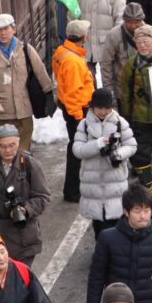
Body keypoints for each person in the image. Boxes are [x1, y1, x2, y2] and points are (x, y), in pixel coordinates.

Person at [72, 89, 136, 238]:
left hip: (115, 183)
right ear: (92, 107)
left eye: (107, 108)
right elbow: (77, 150)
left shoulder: (120, 123)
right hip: (92, 185)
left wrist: (119, 154)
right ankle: (102, 256)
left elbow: (132, 146)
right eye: (99, 108)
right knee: (99, 229)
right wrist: (97, 145)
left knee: (117, 227)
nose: (103, 112)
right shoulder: (84, 125)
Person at [0, 14, 53, 152]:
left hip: (23, 113)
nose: (3, 33)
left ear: (14, 29)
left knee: (23, 154)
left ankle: (21, 174)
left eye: (6, 28)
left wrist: (50, 95)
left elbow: (41, 74)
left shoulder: (26, 50)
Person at [0, 124, 50, 266]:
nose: (8, 150)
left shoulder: (30, 164)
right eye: (2, 146)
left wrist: (25, 209)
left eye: (12, 145)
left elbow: (43, 197)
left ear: (18, 143)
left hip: (24, 235)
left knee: (21, 281)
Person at [120, 25, 152, 186]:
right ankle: (147, 187)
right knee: (141, 154)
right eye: (138, 41)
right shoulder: (131, 64)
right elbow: (126, 92)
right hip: (141, 118)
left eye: (145, 41)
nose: (142, 45)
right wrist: (127, 116)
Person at [52, 20, 95, 204]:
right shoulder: (73, 61)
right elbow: (72, 93)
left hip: (69, 108)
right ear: (83, 37)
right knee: (77, 150)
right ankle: (72, 191)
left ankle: (75, 188)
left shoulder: (62, 52)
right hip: (78, 111)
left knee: (76, 148)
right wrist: (80, 120)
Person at [76, 0, 126, 74]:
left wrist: (116, 45)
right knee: (87, 83)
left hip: (108, 47)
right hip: (85, 46)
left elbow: (120, 21)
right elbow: (73, 19)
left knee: (109, 83)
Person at [100, 2, 145, 108]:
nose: (133, 25)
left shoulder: (151, 33)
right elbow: (106, 63)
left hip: (145, 89)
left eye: (137, 22)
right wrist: (109, 90)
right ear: (124, 20)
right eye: (129, 22)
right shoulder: (114, 35)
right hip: (122, 89)